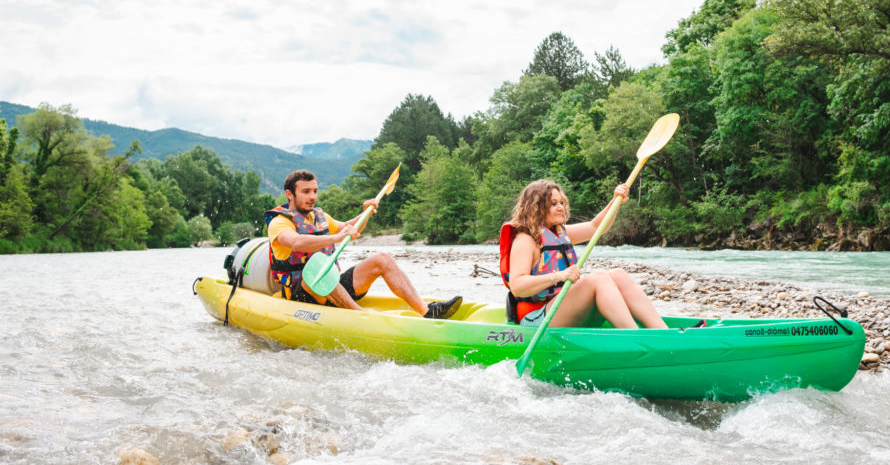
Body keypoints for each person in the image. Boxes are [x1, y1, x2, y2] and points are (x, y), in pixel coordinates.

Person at [264, 169, 462, 319]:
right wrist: (336, 238)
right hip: (304, 293)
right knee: (319, 267)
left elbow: (350, 227)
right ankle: (363, 318)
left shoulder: (319, 216)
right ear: (290, 194)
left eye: (315, 191)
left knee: (382, 260)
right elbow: (297, 242)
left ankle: (427, 312)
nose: (313, 197)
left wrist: (365, 212)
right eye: (306, 192)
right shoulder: (279, 222)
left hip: (332, 287)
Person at [499, 179, 669, 329]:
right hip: (535, 319)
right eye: (553, 204)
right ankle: (636, 337)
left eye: (561, 203)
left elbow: (596, 227)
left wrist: (615, 201)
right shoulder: (525, 240)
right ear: (536, 208)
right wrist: (559, 276)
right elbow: (517, 286)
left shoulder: (559, 233)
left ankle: (664, 334)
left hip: (561, 310)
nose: (560, 208)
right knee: (599, 278)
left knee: (618, 275)